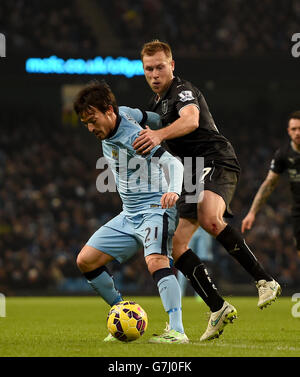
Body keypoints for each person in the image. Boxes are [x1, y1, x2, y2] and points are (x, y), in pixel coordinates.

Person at [132, 40, 281, 340]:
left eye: (160, 67)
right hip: (189, 173)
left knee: (210, 217)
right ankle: (218, 307)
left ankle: (264, 281)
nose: (155, 74)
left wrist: (159, 135)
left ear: (171, 66)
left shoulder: (183, 90)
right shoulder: (155, 105)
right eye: (149, 69)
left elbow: (191, 120)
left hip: (215, 159)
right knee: (175, 244)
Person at [73, 80, 191, 343]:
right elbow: (149, 116)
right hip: (129, 214)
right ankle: (122, 311)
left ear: (108, 110)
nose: (91, 128)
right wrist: (158, 122)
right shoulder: (123, 111)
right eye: (86, 124)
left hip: (156, 208)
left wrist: (173, 190)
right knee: (86, 261)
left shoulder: (134, 137)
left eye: (93, 120)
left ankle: (177, 330)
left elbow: (173, 164)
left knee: (156, 261)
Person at [242, 110, 300, 258]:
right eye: (294, 129)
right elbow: (268, 184)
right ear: (288, 131)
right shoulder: (283, 154)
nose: (297, 133)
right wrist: (252, 212)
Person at [177, 227, 214, 300]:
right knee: (183, 260)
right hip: (187, 226)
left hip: (204, 228)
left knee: (202, 262)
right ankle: (179, 293)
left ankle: (201, 294)